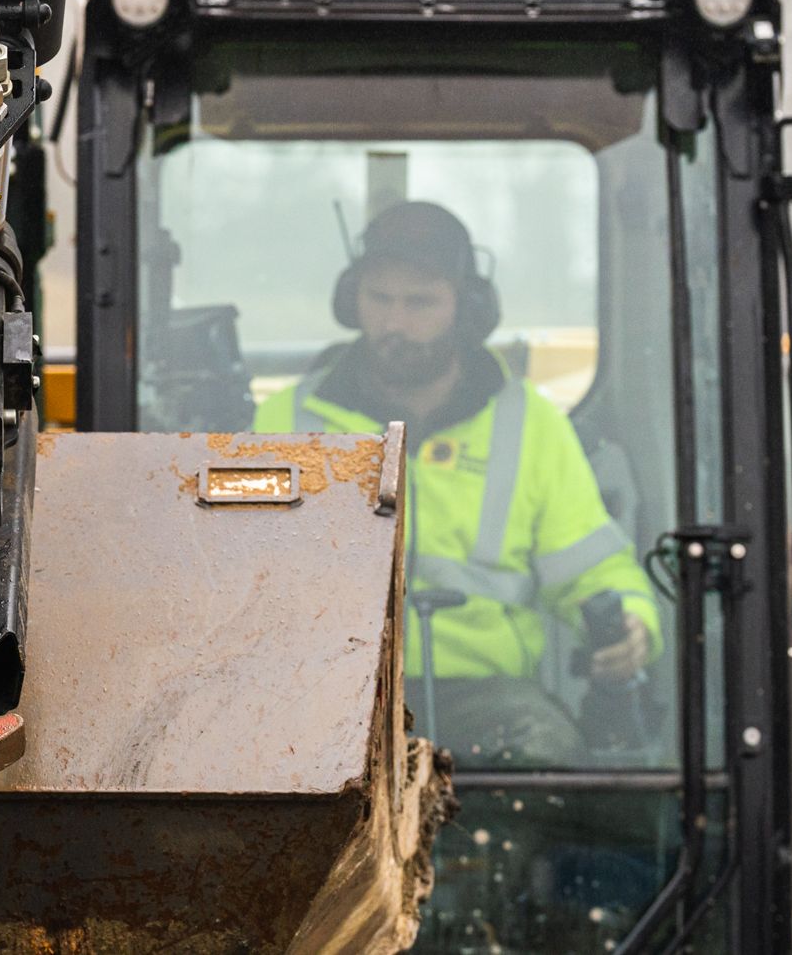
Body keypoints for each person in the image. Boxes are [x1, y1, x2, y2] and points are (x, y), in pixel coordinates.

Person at [253, 201, 661, 765]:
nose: (394, 323)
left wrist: (634, 624)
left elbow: (591, 567)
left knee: (545, 754)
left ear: (467, 310)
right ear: (353, 301)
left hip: (485, 697)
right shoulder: (287, 419)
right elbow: (242, 573)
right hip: (328, 692)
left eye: (419, 302)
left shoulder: (530, 425)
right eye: (379, 299)